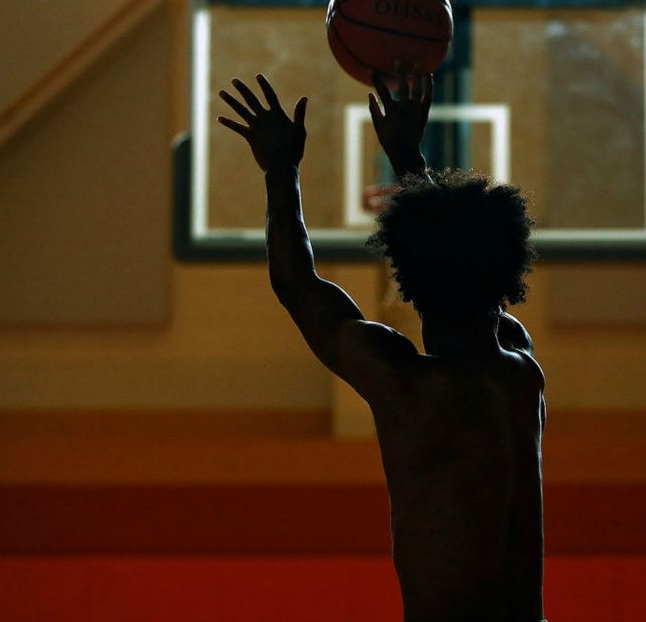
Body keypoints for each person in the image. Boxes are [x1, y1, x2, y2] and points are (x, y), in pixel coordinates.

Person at [218, 62, 547, 622]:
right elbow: (456, 249)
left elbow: (296, 286)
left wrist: (281, 171)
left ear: (412, 287)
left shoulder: (409, 384)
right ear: (504, 278)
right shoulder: (522, 371)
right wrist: (409, 162)